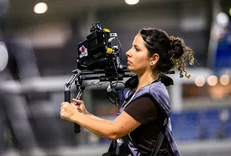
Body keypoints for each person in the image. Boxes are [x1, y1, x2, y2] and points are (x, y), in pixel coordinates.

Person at [60, 28, 194, 156]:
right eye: (132, 47)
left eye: (137, 49)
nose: (128, 52)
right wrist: (86, 114)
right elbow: (118, 127)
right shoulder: (138, 91)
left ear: (153, 59)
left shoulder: (149, 97)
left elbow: (114, 131)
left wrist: (76, 116)